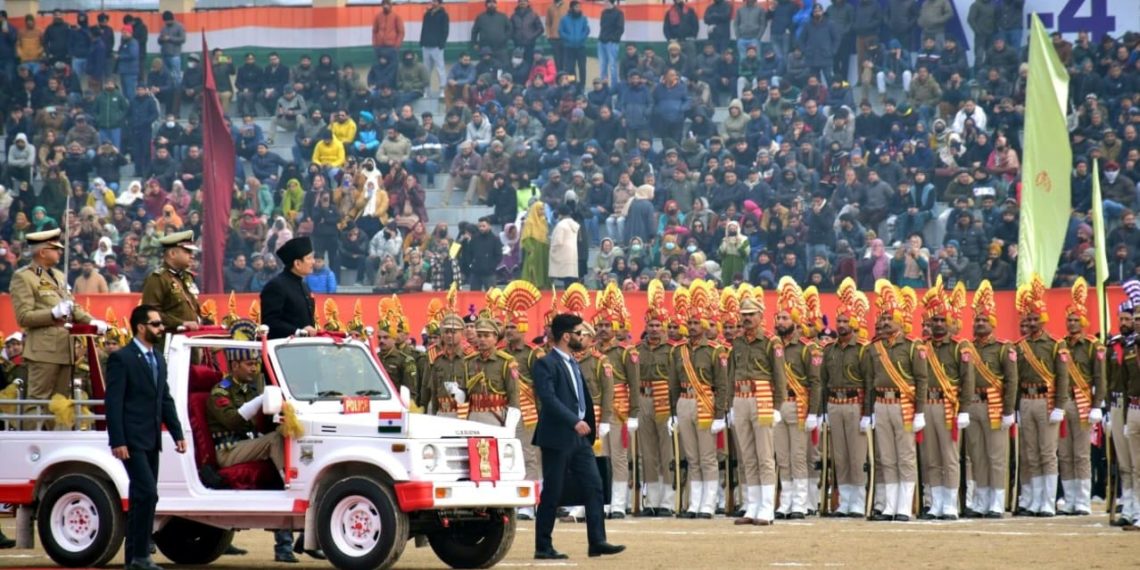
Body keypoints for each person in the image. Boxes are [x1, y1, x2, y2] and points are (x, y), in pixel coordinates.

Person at [532, 312, 625, 560]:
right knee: (553, 490)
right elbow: (549, 399)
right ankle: (543, 545)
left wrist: (587, 425)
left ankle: (597, 540)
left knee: (594, 486)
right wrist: (574, 421)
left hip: (580, 438)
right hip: (558, 436)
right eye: (579, 333)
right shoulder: (545, 363)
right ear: (566, 336)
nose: (583, 337)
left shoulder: (574, 362)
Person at [105, 304, 187, 570]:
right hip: (131, 439)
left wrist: (176, 433)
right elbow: (113, 402)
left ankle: (133, 559)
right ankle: (141, 555)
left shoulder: (158, 358)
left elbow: (165, 398)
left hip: (152, 439)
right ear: (141, 327)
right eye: (156, 324)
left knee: (142, 496)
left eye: (161, 323)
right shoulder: (122, 358)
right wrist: (118, 440)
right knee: (148, 493)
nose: (161, 328)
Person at [11, 229, 105, 430]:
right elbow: (23, 317)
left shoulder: (59, 276)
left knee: (61, 402)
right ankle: (33, 442)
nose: (60, 252)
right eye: (55, 249)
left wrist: (92, 321)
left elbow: (73, 307)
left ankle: (57, 440)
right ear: (42, 252)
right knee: (38, 401)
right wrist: (52, 313)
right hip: (43, 349)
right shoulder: (24, 277)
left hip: (65, 348)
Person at [866, 280, 928, 522]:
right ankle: (890, 506)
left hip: (904, 405)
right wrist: (869, 411)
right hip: (881, 404)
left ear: (901, 320)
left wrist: (919, 412)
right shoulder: (875, 348)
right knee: (887, 457)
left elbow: (921, 380)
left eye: (889, 318)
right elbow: (870, 380)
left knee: (905, 456)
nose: (884, 323)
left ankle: (904, 506)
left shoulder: (913, 347)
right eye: (882, 318)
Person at [670, 282, 729, 520]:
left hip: (705, 404)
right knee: (691, 457)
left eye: (696, 323)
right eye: (690, 322)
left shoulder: (715, 351)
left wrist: (719, 414)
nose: (692, 327)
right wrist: (673, 414)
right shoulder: (678, 350)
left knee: (707, 457)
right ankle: (694, 503)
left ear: (704, 325)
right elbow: (673, 383)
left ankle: (708, 503)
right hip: (684, 402)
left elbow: (722, 385)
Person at [729, 284, 786, 525]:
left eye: (751, 314)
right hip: (740, 398)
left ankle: (766, 507)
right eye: (744, 315)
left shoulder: (772, 342)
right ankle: (752, 505)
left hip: (762, 398)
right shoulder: (737, 342)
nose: (747, 319)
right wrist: (730, 405)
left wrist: (777, 406)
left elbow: (779, 376)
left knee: (764, 456)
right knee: (747, 456)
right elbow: (731, 373)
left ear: (761, 316)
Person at [918, 278, 974, 521]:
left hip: (948, 406)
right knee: (931, 457)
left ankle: (950, 504)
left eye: (943, 320)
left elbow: (967, 380)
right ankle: (936, 503)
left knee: (949, 457)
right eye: (935, 320)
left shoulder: (960, 347)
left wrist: (965, 409)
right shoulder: (922, 347)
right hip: (927, 405)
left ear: (950, 322)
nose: (939, 324)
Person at [1014, 273, 1069, 517]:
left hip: (1046, 401)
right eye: (1029, 319)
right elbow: (1016, 379)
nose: (1032, 322)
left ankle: (1048, 501)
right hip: (1026, 400)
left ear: (1043, 319)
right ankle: (1035, 500)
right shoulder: (1020, 346)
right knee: (1031, 453)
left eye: (1036, 318)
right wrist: (1015, 407)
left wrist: (1059, 406)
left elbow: (1063, 377)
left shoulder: (1056, 344)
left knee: (1047, 453)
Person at [964, 279, 1017, 518]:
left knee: (996, 456)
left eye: (984, 320)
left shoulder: (1004, 348)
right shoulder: (967, 348)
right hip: (973, 405)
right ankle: (980, 501)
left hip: (994, 407)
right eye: (977, 320)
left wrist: (1008, 411)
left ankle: (996, 502)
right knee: (977, 456)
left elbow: (1011, 381)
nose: (980, 324)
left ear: (992, 323)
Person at [772, 278, 823, 520]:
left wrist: (813, 412)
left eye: (785, 318)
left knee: (798, 456)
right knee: (782, 457)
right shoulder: (773, 346)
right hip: (778, 405)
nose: (780, 322)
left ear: (795, 321)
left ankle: (800, 503)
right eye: (779, 318)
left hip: (798, 405)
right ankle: (785, 502)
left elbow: (815, 382)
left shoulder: (807, 348)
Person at [1058, 278, 1105, 516]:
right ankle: (1070, 499)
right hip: (1064, 401)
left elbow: (1100, 378)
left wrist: (1097, 405)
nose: (1072, 323)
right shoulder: (1061, 345)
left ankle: (1083, 500)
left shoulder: (1093, 346)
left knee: (1081, 453)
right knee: (1065, 453)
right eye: (1069, 320)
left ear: (1084, 321)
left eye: (1076, 320)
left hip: (1083, 402)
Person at [595, 284, 640, 518]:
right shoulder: (592, 351)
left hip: (619, 410)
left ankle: (619, 504)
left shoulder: (625, 351)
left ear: (615, 327)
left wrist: (633, 414)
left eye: (607, 325)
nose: (603, 329)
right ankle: (604, 502)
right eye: (600, 325)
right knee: (601, 457)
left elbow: (634, 384)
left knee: (619, 457)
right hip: (598, 412)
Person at [635, 280, 677, 516]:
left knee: (666, 451)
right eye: (650, 325)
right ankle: (651, 500)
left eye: (658, 325)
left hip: (664, 400)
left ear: (664, 327)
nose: (654, 329)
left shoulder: (672, 349)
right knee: (648, 452)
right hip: (643, 399)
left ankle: (668, 501)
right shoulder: (637, 350)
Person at [140, 230, 205, 331]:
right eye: (187, 251)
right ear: (172, 254)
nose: (192, 255)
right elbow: (150, 313)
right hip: (171, 336)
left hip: (191, 335)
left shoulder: (187, 276)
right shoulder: (157, 278)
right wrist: (181, 323)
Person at [260, 236, 318, 340]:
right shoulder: (276, 286)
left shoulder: (304, 285)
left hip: (305, 345)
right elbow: (270, 322)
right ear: (297, 263)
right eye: (309, 258)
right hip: (284, 346)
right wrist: (298, 332)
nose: (313, 262)